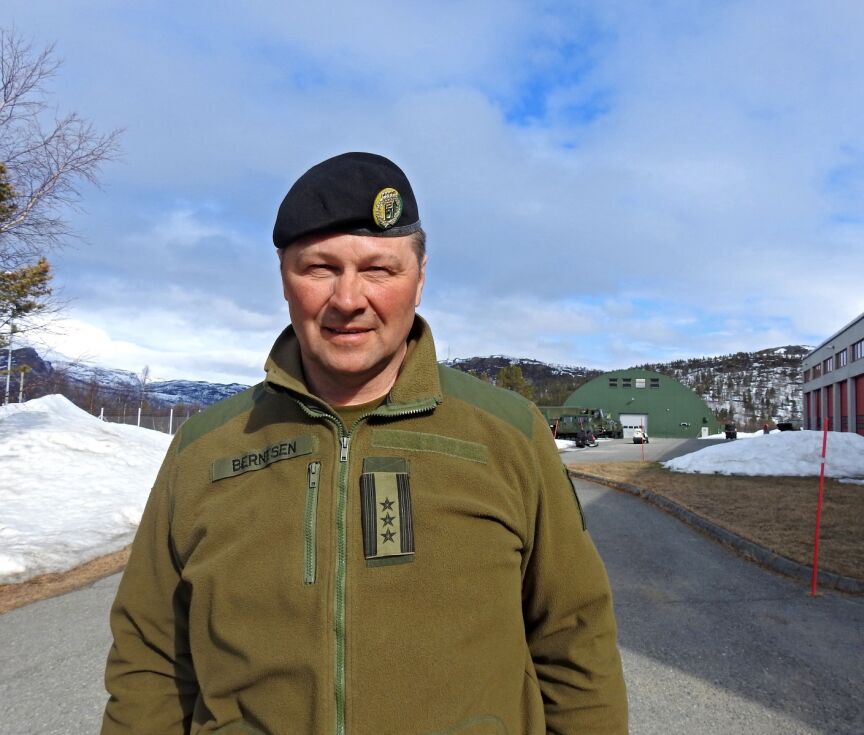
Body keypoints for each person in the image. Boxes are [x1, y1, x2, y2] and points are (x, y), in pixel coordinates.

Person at [101, 152, 628, 734]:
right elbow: (149, 660)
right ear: (284, 278)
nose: (348, 300)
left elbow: (576, 641)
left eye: (379, 269)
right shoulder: (204, 450)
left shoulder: (509, 435)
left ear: (420, 280)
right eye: (319, 268)